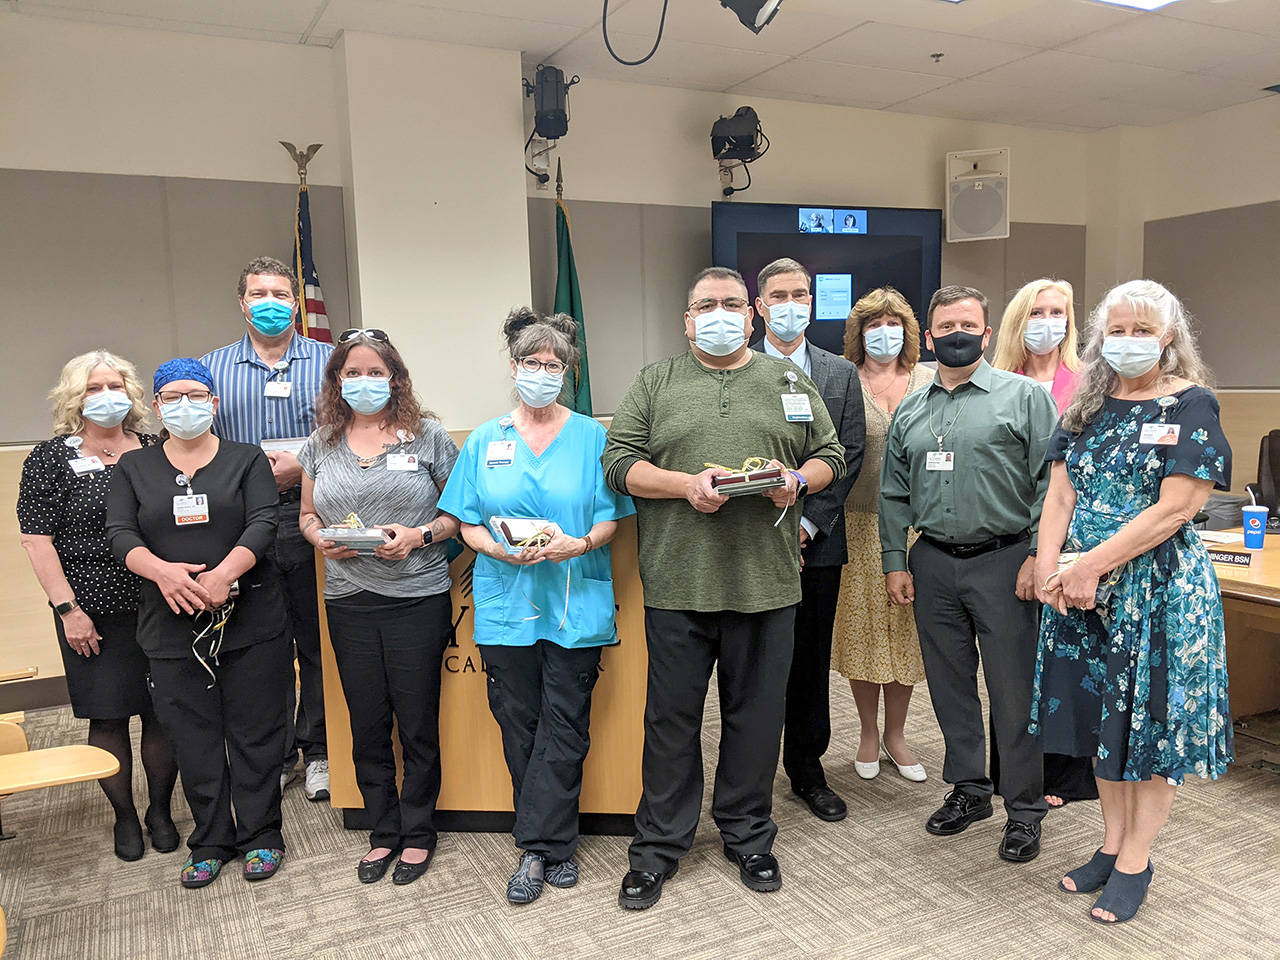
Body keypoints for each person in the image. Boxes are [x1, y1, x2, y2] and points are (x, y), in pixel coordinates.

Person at [603, 266, 846, 910]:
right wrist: (684, 484)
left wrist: (795, 481)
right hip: (679, 581)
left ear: (751, 314)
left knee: (757, 717)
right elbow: (618, 463)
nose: (719, 314)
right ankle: (658, 846)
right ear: (687, 319)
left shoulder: (788, 380)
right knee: (672, 721)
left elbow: (832, 456)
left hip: (766, 582)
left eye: (731, 304)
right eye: (705, 305)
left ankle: (747, 833)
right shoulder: (656, 381)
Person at [1031, 280, 1232, 924]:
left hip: (1156, 590)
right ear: (1098, 337)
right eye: (1117, 329)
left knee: (1148, 729)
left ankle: (1136, 860)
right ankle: (1111, 843)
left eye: (1144, 330)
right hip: (1079, 590)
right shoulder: (1086, 407)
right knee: (1101, 724)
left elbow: (1178, 508)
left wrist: (1089, 565)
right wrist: (1045, 567)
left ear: (1169, 338)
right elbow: (1059, 496)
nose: (1129, 341)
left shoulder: (1192, 404)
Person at [438, 309, 635, 904]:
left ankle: (540, 847)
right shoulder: (485, 439)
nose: (542, 372)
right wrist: (496, 547)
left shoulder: (594, 437)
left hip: (576, 597)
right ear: (514, 366)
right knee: (518, 720)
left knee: (566, 722)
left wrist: (578, 543)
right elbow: (464, 524)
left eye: (554, 365)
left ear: (568, 371)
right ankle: (549, 841)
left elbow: (610, 520)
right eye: (532, 363)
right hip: (505, 601)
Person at [879, 284, 1058, 863]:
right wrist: (893, 560)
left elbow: (1052, 486)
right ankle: (969, 788)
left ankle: (1025, 808)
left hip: (1007, 562)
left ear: (985, 333)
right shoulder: (912, 406)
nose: (957, 334)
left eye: (969, 325)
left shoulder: (1025, 398)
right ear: (928, 337)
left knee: (1012, 691)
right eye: (945, 327)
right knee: (950, 684)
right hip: (932, 563)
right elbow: (893, 491)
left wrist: (1039, 555)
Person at [107, 358, 290, 888]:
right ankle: (211, 838)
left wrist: (225, 574)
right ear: (158, 406)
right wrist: (163, 574)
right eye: (172, 397)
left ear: (214, 403)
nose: (184, 406)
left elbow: (264, 521)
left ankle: (261, 834)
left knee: (256, 729)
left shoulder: (245, 459)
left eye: (196, 395)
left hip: (250, 613)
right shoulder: (134, 468)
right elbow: (121, 533)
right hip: (170, 622)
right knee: (193, 733)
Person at [297, 328, 460, 887]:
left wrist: (418, 535)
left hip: (417, 596)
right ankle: (381, 829)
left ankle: (418, 832)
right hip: (348, 600)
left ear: (395, 378)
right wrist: (319, 537)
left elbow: (460, 516)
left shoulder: (429, 437)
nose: (364, 382)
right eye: (352, 373)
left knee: (415, 721)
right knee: (366, 722)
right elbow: (306, 516)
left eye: (375, 372)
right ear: (337, 381)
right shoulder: (321, 443)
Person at [17, 351, 179, 862]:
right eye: (93, 388)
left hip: (160, 603)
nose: (106, 396)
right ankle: (124, 817)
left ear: (131, 393)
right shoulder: (49, 458)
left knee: (161, 713)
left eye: (114, 385)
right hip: (91, 610)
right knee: (108, 717)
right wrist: (68, 610)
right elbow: (37, 543)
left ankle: (158, 810)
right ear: (74, 397)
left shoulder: (158, 448)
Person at [201, 255, 333, 801]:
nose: (271, 304)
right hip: (244, 524)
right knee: (260, 641)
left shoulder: (331, 362)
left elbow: (352, 432)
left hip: (313, 513)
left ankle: (320, 748)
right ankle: (274, 753)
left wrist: (302, 465)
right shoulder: (211, 368)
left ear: (297, 303)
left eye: (282, 294)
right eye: (260, 294)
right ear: (242, 303)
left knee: (317, 638)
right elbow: (197, 443)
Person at [751, 258, 864, 821]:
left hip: (815, 544)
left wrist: (805, 522)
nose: (792, 303)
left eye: (802, 294)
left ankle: (807, 770)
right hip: (746, 544)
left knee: (809, 661)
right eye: (780, 294)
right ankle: (748, 774)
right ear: (760, 306)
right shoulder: (736, 368)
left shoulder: (839, 373)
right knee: (753, 662)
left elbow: (849, 455)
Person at [991, 278, 1096, 808]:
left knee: (1068, 657)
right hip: (1013, 536)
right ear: (1017, 321)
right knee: (1016, 661)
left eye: (1058, 311)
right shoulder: (997, 382)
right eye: (1036, 311)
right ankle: (1013, 768)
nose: (1047, 321)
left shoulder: (1088, 383)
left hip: (1080, 537)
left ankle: (1064, 773)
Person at [832, 289, 932, 783]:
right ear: (859, 333)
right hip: (857, 522)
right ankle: (868, 733)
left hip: (918, 528)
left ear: (909, 332)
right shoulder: (843, 381)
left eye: (894, 324)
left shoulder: (930, 381)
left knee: (907, 635)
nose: (884, 334)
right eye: (874, 325)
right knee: (863, 634)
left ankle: (897, 732)